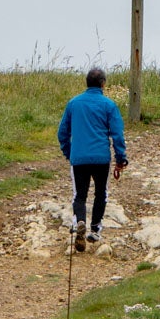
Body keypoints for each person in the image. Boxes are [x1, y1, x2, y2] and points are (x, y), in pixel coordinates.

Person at [57, 68, 128, 252]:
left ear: (86, 82)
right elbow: (117, 135)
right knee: (100, 194)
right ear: (103, 84)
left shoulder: (73, 104)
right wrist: (121, 159)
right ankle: (95, 229)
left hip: (79, 158)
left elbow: (62, 133)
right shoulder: (109, 105)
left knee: (79, 195)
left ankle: (80, 221)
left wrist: (69, 153)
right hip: (101, 159)